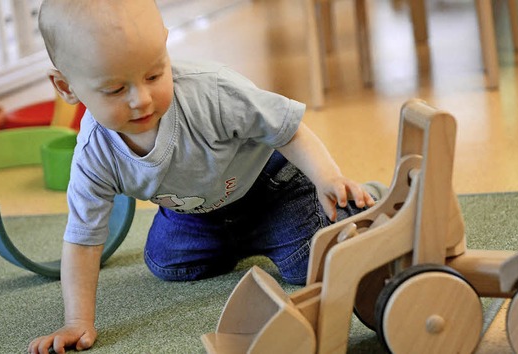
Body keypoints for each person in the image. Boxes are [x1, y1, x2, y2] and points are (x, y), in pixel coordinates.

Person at [28, 1, 379, 353]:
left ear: (165, 47)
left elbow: (288, 130)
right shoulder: (93, 152)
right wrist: (77, 321)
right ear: (66, 86)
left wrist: (328, 178)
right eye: (116, 90)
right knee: (165, 262)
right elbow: (83, 238)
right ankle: (241, 242)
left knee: (312, 263)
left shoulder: (212, 91)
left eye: (153, 75)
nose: (142, 99)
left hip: (271, 189)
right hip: (197, 213)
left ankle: (362, 200)